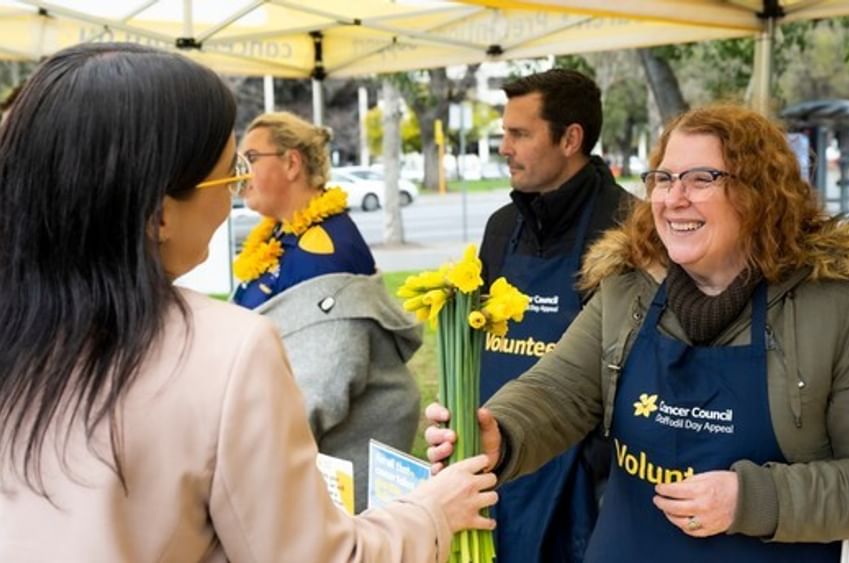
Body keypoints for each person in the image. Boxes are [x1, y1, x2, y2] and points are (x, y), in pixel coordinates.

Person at [0, 43, 497, 562]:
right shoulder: (225, 352)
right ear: (160, 214)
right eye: (229, 171)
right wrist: (431, 513)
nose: (236, 190)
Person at [428, 103, 849, 562]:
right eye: (664, 179)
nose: (674, 198)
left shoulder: (836, 307)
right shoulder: (628, 287)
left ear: (759, 194)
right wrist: (501, 434)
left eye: (701, 179)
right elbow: (556, 391)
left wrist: (754, 498)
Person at [472, 68, 632, 562]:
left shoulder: (629, 229)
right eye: (504, 133)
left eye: (519, 134)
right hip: (500, 460)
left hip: (582, 487)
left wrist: (591, 466)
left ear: (572, 139)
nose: (504, 147)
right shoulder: (502, 228)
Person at [232, 111, 421, 512]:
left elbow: (318, 386)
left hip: (329, 487)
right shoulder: (285, 235)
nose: (239, 174)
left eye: (249, 159)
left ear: (291, 163)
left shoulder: (325, 251)